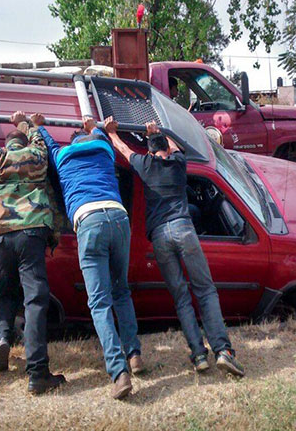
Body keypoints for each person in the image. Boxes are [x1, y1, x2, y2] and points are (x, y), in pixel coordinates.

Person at [105, 117, 245, 377]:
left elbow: (123, 149)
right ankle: (223, 351)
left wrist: (113, 133)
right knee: (205, 290)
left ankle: (199, 355)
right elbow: (176, 146)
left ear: (150, 152)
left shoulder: (144, 165)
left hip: (159, 237)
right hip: (183, 229)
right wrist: (159, 131)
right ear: (167, 151)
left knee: (181, 298)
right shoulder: (178, 163)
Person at [37, 115, 142, 400]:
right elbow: (100, 133)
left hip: (89, 221)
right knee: (121, 291)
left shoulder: (61, 157)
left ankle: (119, 372)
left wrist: (38, 124)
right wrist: (93, 126)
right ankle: (134, 354)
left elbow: (48, 142)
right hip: (118, 217)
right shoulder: (103, 148)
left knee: (99, 302)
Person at [0, 107, 66, 395]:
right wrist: (24, 122)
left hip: (0, 235)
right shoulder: (34, 156)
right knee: (35, 299)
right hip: (31, 231)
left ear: (7, 144)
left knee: (6, 291)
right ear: (23, 142)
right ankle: (38, 372)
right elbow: (39, 139)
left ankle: (3, 339)